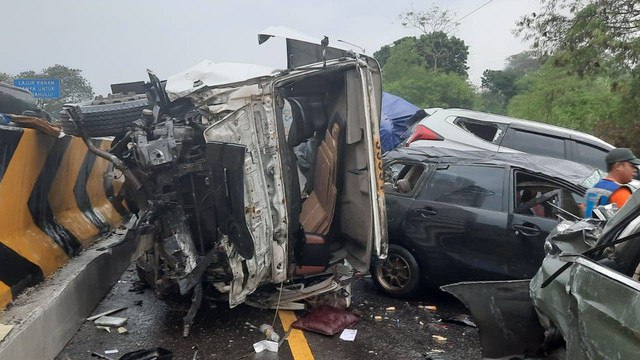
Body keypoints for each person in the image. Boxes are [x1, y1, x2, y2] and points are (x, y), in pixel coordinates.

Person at [584, 148, 640, 217]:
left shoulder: (591, 190)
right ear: (618, 166)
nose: (635, 170)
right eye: (632, 166)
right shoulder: (621, 192)